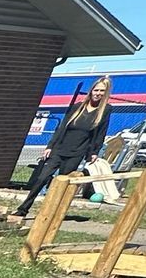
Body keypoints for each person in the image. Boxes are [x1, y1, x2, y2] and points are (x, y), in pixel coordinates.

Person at [19, 77, 111, 215]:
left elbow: (100, 133)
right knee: (42, 178)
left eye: (102, 91)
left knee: (61, 183)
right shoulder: (77, 107)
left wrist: (94, 152)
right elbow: (62, 128)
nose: (98, 93)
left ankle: (50, 212)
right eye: (96, 90)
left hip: (77, 152)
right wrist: (50, 146)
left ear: (106, 93)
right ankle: (23, 208)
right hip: (60, 149)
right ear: (91, 91)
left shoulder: (105, 110)